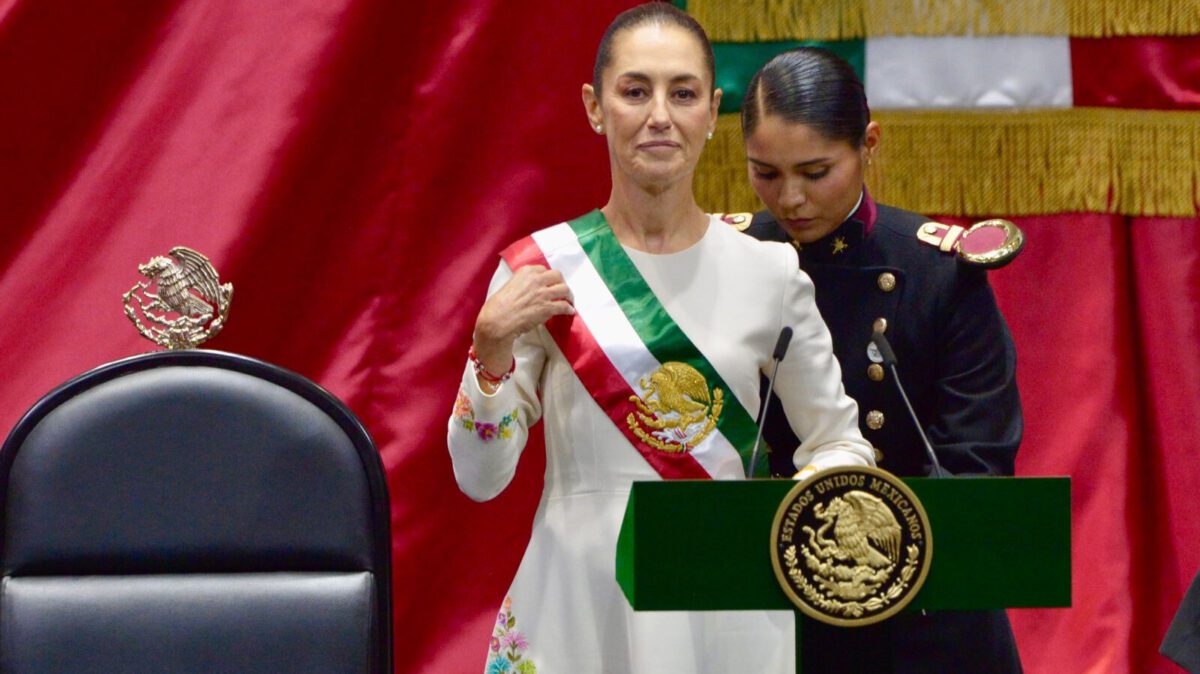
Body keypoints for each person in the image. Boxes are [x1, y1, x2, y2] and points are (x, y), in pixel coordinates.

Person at [447, 7, 875, 673]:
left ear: (712, 111)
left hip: (726, 595)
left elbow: (838, 443)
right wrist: (490, 347)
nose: (659, 116)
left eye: (682, 93)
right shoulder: (539, 270)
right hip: (580, 597)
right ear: (595, 107)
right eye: (635, 91)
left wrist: (780, 526)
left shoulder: (769, 274)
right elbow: (479, 479)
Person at [737, 47, 1024, 673]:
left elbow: (979, 461)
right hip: (768, 608)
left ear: (869, 144)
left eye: (816, 172)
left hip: (924, 613)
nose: (790, 199)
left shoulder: (939, 272)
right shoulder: (728, 262)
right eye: (765, 172)